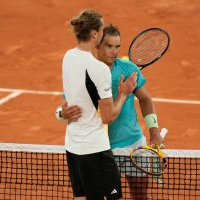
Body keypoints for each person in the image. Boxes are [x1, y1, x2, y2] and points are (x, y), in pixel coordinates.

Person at [59, 24, 163, 199]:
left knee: (140, 196)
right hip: (100, 149)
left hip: (133, 146)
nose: (114, 52)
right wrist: (61, 114)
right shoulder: (86, 72)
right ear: (97, 45)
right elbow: (67, 107)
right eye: (109, 46)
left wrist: (154, 131)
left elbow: (145, 99)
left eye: (117, 47)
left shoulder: (128, 69)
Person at [62, 10, 137, 200]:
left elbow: (73, 100)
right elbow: (108, 117)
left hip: (72, 147)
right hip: (95, 150)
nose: (103, 34)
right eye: (102, 30)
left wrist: (61, 113)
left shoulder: (68, 57)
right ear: (95, 34)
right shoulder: (99, 69)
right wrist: (123, 94)